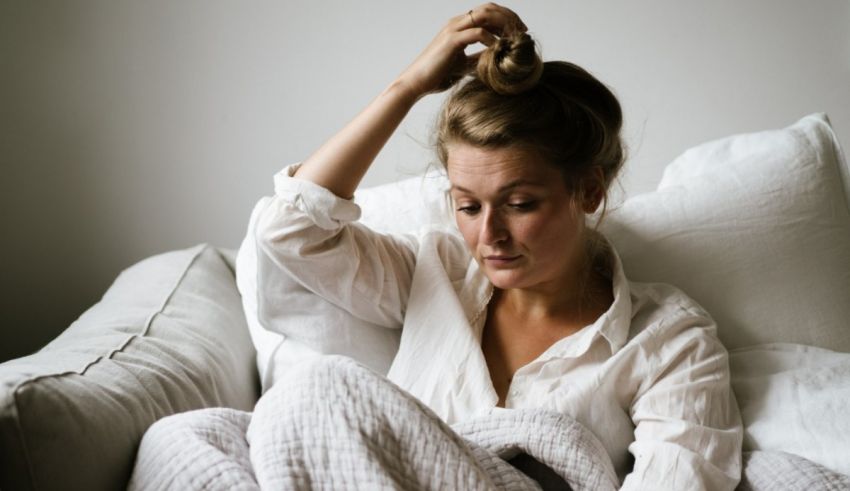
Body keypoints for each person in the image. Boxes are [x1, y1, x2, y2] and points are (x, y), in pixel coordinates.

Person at [249, 3, 743, 489]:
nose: (489, 236)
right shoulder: (434, 271)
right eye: (468, 206)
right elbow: (290, 230)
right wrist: (408, 87)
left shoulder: (667, 340)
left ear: (589, 191)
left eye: (520, 204)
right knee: (252, 413)